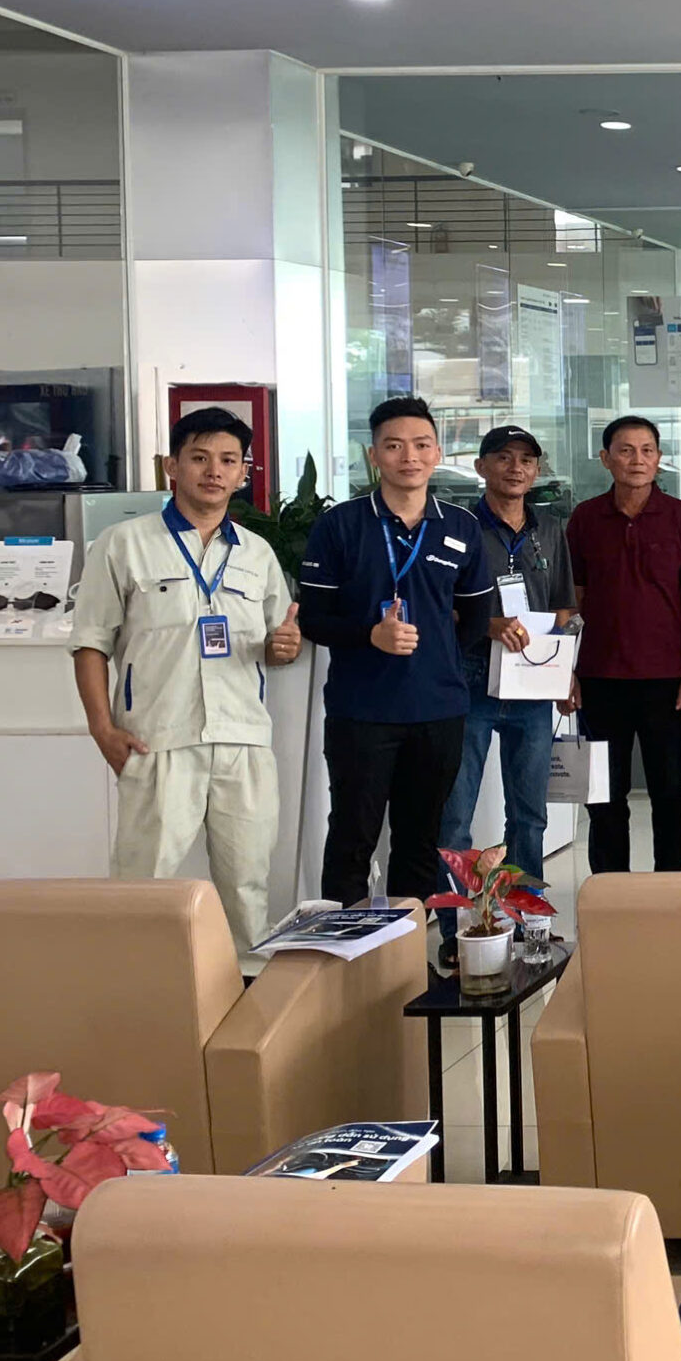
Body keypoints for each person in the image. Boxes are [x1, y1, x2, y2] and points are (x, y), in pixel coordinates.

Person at [70, 407, 303, 954]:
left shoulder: (256, 553)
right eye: (199, 458)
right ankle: (136, 988)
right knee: (143, 882)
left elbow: (277, 643)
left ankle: (245, 986)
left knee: (247, 884)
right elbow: (89, 643)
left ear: (243, 473)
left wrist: (284, 648)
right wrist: (102, 729)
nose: (214, 471)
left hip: (242, 740)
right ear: (172, 466)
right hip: (158, 737)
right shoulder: (124, 543)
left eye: (228, 460)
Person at [297, 397, 497, 904]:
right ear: (373, 456)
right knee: (352, 838)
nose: (409, 456)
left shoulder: (460, 526)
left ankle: (405, 948)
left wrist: (439, 655)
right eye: (394, 446)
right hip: (361, 711)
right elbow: (314, 619)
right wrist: (370, 635)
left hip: (438, 710)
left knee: (419, 843)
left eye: (421, 445)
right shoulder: (340, 526)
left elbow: (476, 616)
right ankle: (345, 948)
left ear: (438, 453)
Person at [567, 415, 681, 874]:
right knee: (605, 794)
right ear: (605, 459)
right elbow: (574, 600)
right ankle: (610, 889)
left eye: (647, 450)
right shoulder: (586, 518)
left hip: (665, 678)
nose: (637, 459)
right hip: (599, 677)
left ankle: (670, 884)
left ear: (659, 459)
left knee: (670, 790)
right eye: (626, 450)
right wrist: (566, 669)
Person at [437, 426, 571, 867]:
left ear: (536, 471)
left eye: (526, 460)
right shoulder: (458, 528)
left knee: (530, 815)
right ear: (481, 467)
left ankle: (527, 907)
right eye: (504, 457)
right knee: (456, 813)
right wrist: (489, 624)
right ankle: (456, 911)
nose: (516, 468)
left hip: (532, 680)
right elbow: (440, 605)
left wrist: (561, 668)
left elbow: (564, 606)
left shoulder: (549, 529)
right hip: (470, 677)